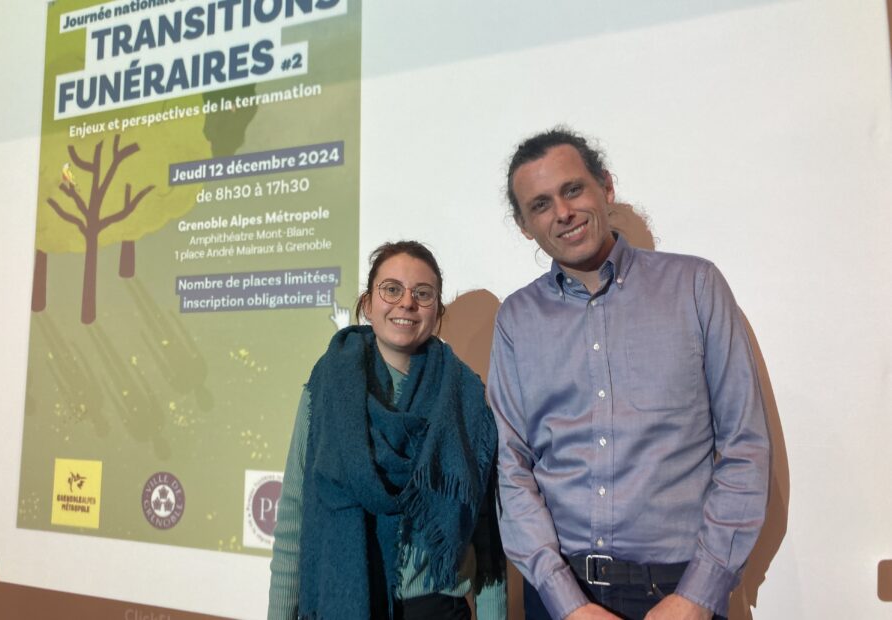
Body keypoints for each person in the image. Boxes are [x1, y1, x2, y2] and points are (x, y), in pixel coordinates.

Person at [487, 128, 770, 620]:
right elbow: (512, 468)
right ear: (524, 225)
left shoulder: (695, 286)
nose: (563, 213)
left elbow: (745, 446)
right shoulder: (517, 318)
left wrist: (699, 594)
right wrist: (564, 601)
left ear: (606, 186)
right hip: (560, 597)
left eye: (573, 189)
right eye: (540, 205)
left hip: (679, 594)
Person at [268, 241, 507, 620]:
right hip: (346, 601)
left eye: (422, 294)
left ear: (437, 312)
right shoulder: (327, 386)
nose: (406, 303)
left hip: (437, 608)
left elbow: (484, 530)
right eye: (391, 289)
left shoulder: (466, 398)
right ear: (367, 303)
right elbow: (295, 513)